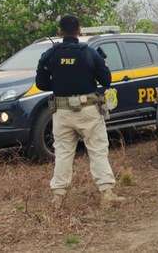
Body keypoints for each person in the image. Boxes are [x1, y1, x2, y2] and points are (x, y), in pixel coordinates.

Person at [35, 15, 124, 208]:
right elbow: (106, 80)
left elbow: (41, 83)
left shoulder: (51, 54)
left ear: (60, 31)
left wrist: (58, 83)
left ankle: (58, 197)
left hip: (62, 110)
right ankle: (106, 193)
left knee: (63, 153)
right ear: (79, 30)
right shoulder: (89, 52)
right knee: (97, 150)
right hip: (88, 110)